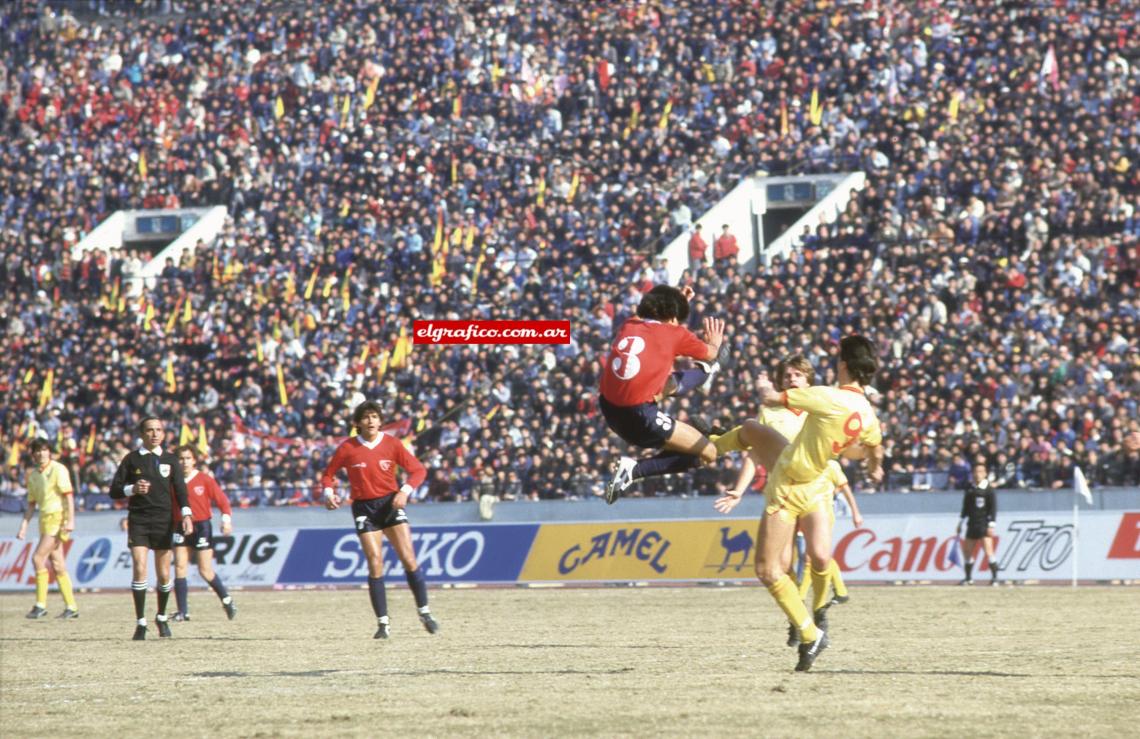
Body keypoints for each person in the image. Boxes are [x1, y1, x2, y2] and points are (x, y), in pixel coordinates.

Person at [714, 335, 884, 672]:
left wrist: (763, 384)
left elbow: (771, 396)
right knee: (751, 431)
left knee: (769, 569)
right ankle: (712, 444)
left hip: (792, 485)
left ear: (843, 366)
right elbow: (873, 447)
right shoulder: (867, 414)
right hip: (811, 481)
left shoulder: (825, 396)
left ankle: (811, 628)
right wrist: (873, 466)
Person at [319, 400, 436, 639]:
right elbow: (328, 475)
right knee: (375, 561)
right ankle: (383, 624)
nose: (371, 421)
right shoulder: (347, 448)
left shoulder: (392, 444)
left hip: (391, 504)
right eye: (366, 417)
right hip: (364, 507)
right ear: (357, 423)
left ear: (380, 420)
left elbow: (419, 470)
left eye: (374, 416)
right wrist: (329, 494)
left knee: (409, 558)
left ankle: (424, 611)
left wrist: (404, 491)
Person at [600, 284, 727, 503]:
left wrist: (676, 302)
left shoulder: (629, 325)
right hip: (640, 417)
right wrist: (714, 343)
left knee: (663, 380)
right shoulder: (674, 333)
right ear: (672, 316)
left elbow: (656, 320)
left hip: (610, 410)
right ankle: (635, 471)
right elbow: (711, 352)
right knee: (709, 453)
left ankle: (706, 375)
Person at [109, 417, 194, 640]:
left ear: (163, 434)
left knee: (165, 573)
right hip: (139, 519)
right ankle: (141, 622)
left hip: (164, 521)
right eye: (150, 430)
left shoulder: (170, 460)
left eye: (158, 430)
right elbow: (114, 490)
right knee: (139, 566)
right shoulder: (131, 459)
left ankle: (162, 617)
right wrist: (132, 489)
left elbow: (181, 490)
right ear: (142, 434)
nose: (155, 434)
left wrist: (186, 514)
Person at [171, 445, 238, 621]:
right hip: (180, 526)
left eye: (188, 458)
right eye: (181, 458)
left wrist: (226, 521)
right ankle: (183, 611)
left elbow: (223, 501)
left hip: (201, 526)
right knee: (179, 566)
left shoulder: (204, 479)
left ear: (194, 460)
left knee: (205, 570)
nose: (184, 462)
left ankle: (227, 599)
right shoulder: (172, 481)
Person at [16, 439, 79, 619]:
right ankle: (71, 607)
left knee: (37, 558)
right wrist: (23, 527)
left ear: (49, 452)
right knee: (58, 563)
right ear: (33, 454)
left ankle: (40, 605)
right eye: (37, 450)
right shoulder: (34, 475)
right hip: (44, 520)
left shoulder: (58, 469)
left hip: (58, 519)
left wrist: (71, 521)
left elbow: (69, 497)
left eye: (44, 450)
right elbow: (31, 505)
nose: (41, 453)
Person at [957, 459, 1000, 586]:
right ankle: (968, 578)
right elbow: (965, 508)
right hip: (972, 523)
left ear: (985, 473)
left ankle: (995, 578)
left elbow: (993, 508)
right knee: (967, 551)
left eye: (980, 472)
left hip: (983, 524)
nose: (978, 474)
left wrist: (991, 524)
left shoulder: (989, 490)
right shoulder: (970, 489)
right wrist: (960, 523)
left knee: (989, 551)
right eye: (976, 471)